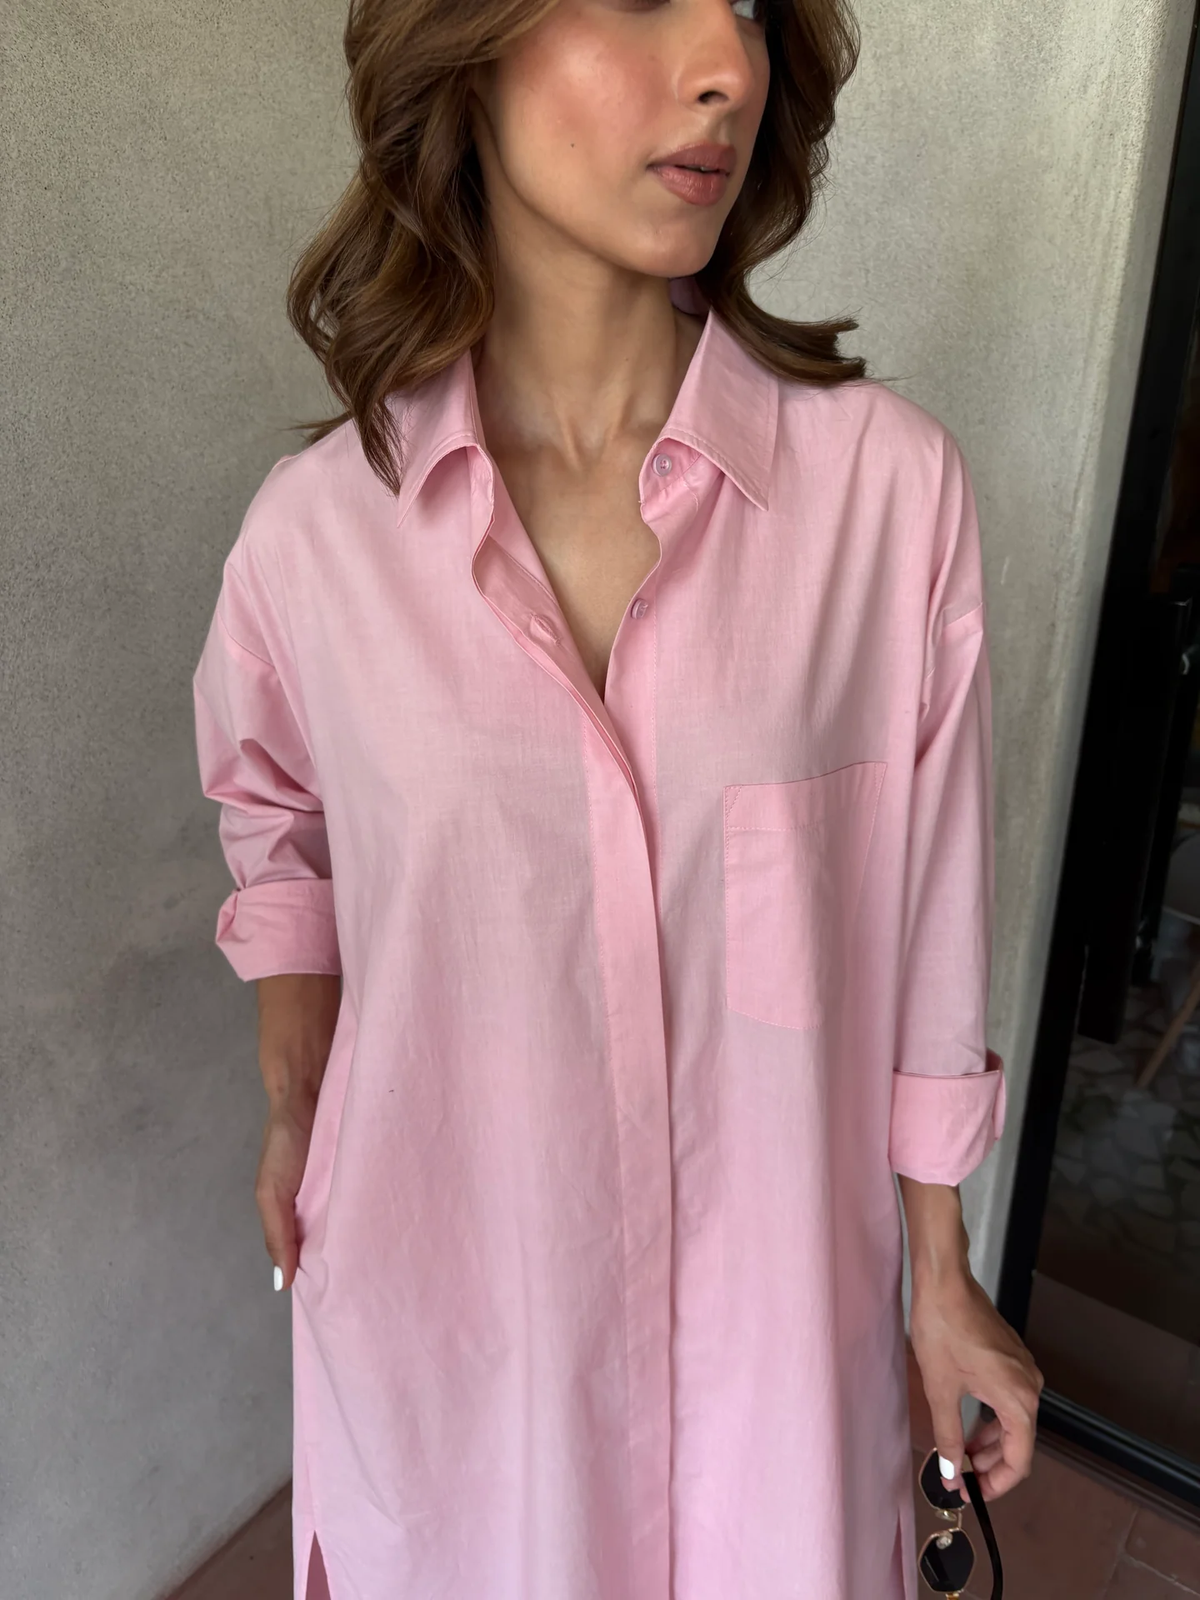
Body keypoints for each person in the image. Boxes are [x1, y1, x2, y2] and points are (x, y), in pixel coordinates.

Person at [191, 1, 1044, 1596]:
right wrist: (295, 1092)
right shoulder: (315, 538)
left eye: (749, 9)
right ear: (464, 44)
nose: (726, 66)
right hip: (457, 1350)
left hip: (777, 1382)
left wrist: (941, 1273)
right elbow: (276, 816)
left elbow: (928, 919)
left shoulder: (886, 500)